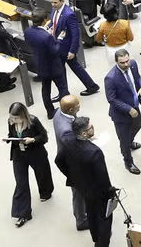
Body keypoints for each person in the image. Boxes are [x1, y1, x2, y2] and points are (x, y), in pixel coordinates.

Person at [55, 117, 114, 247]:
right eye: (90, 127)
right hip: (97, 191)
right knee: (104, 218)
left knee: (91, 213)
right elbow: (103, 178)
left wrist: (73, 177)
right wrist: (110, 193)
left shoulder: (67, 142)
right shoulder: (95, 153)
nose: (93, 127)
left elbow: (58, 160)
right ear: (84, 134)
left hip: (81, 186)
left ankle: (95, 238)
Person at [5, 102, 54, 228]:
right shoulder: (11, 122)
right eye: (12, 118)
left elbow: (44, 136)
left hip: (35, 153)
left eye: (16, 118)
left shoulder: (33, 121)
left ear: (23, 115)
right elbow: (12, 135)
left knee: (42, 173)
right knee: (21, 183)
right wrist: (9, 138)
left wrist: (33, 140)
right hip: (18, 155)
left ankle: (46, 192)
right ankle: (23, 213)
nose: (14, 120)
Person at [48, 0, 99, 96]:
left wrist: (72, 50)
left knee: (65, 70)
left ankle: (65, 93)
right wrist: (47, 27)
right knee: (69, 69)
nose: (53, 5)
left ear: (62, 1)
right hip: (57, 45)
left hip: (66, 48)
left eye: (55, 3)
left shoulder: (69, 14)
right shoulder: (55, 10)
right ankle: (90, 86)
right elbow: (52, 21)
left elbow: (75, 34)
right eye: (52, 2)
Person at [104, 48, 141, 175]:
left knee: (138, 125)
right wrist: (128, 109)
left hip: (135, 105)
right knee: (124, 139)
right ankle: (128, 162)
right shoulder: (111, 78)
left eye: (127, 61)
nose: (126, 64)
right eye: (122, 63)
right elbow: (111, 99)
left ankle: (129, 141)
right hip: (121, 114)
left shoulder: (133, 64)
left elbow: (138, 78)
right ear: (116, 62)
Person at [52, 96, 87, 232]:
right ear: (71, 109)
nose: (80, 107)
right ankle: (81, 220)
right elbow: (74, 149)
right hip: (73, 164)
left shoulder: (59, 113)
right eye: (78, 106)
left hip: (68, 158)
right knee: (78, 192)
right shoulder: (66, 131)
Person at [25, 8, 67, 120]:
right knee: (63, 88)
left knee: (45, 89)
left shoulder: (28, 32)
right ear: (44, 20)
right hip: (53, 66)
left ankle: (50, 111)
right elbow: (55, 50)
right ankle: (67, 109)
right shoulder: (46, 36)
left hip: (40, 64)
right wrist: (59, 39)